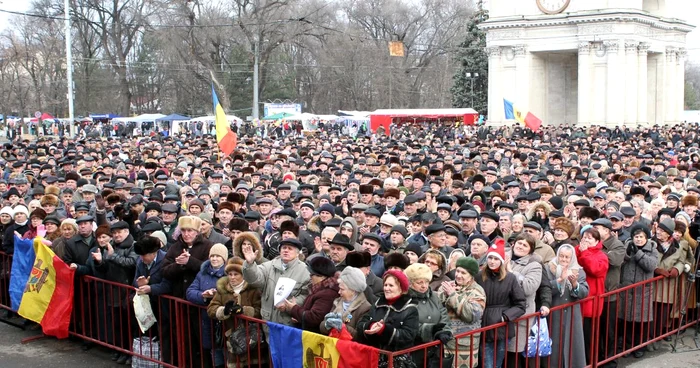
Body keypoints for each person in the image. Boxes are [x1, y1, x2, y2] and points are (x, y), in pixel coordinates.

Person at [475, 239, 526, 368]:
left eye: (496, 259)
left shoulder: (510, 278)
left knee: (497, 363)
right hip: (484, 324)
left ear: (502, 261)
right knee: (487, 363)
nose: (492, 261)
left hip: (502, 326)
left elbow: (520, 304)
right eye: (490, 258)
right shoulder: (479, 276)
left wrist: (506, 316)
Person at [241, 238, 310, 330]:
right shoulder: (269, 266)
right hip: (268, 321)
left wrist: (289, 305)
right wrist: (250, 264)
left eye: (290, 248)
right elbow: (255, 280)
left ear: (297, 253)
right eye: (284, 248)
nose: (286, 250)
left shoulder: (305, 271)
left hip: (288, 323)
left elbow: (306, 295)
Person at [357, 269, 419, 367]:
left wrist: (384, 330)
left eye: (391, 285)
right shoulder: (377, 304)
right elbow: (361, 324)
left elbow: (408, 336)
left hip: (396, 361)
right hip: (373, 358)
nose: (386, 288)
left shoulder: (410, 309)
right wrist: (371, 325)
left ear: (401, 289)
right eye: (385, 285)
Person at [208, 257, 262, 368]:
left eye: (236, 274)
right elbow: (211, 309)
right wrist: (224, 311)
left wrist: (244, 310)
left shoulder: (253, 289)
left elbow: (260, 309)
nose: (232, 277)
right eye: (230, 274)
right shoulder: (222, 289)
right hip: (232, 339)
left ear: (243, 275)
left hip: (252, 339)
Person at [545, 244, 589, 368]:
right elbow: (544, 289)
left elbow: (584, 293)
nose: (564, 259)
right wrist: (558, 281)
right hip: (553, 312)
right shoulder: (548, 268)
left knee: (572, 345)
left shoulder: (578, 271)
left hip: (571, 314)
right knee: (554, 346)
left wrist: (575, 284)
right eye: (561, 256)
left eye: (567, 257)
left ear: (572, 258)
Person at [618, 225, 658, 359]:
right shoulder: (626, 246)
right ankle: (627, 346)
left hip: (643, 292)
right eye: (636, 237)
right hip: (627, 290)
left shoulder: (652, 249)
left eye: (641, 237)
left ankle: (640, 346)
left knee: (641, 321)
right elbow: (621, 263)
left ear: (646, 238)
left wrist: (638, 254)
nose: (639, 239)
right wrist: (628, 254)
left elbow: (651, 266)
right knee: (626, 320)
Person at [437, 257, 486, 368]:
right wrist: (444, 294)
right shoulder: (448, 286)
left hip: (464, 346)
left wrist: (453, 295)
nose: (458, 275)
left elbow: (472, 315)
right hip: (443, 343)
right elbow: (436, 306)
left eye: (463, 273)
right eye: (457, 271)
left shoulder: (477, 291)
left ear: (471, 275)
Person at [186, 243, 229, 368]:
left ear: (224, 259)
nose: (214, 259)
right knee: (214, 354)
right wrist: (203, 296)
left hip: (224, 321)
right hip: (207, 320)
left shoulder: (229, 274)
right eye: (212, 256)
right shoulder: (202, 274)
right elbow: (190, 292)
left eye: (218, 256)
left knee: (227, 354)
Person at [405, 262, 454, 368]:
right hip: (414, 349)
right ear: (410, 283)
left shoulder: (434, 296)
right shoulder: (405, 299)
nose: (424, 286)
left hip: (434, 349)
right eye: (419, 282)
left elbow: (443, 314)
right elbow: (409, 324)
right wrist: (432, 330)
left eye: (426, 282)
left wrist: (444, 331)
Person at [505, 233, 543, 368]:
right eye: (519, 243)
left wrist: (511, 272)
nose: (520, 246)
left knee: (512, 356)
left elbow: (528, 288)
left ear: (530, 250)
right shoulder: (504, 257)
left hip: (519, 317)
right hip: (500, 313)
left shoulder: (534, 265)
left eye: (525, 245)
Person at [575, 227, 609, 363]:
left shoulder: (602, 256)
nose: (586, 240)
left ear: (596, 241)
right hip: (577, 297)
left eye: (590, 238)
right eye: (584, 237)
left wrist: (585, 253)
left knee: (588, 336)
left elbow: (595, 270)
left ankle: (589, 362)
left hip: (591, 300)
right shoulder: (577, 251)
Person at [284, 257, 339, 333]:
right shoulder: (318, 288)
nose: (309, 277)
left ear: (322, 276)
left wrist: (294, 309)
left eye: (312, 275)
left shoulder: (327, 294)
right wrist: (299, 317)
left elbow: (314, 318)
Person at [320, 266, 371, 339]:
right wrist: (326, 325)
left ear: (353, 290)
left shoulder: (365, 308)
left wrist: (343, 327)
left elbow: (359, 336)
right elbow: (322, 327)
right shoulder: (337, 302)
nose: (339, 292)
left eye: (342, 289)